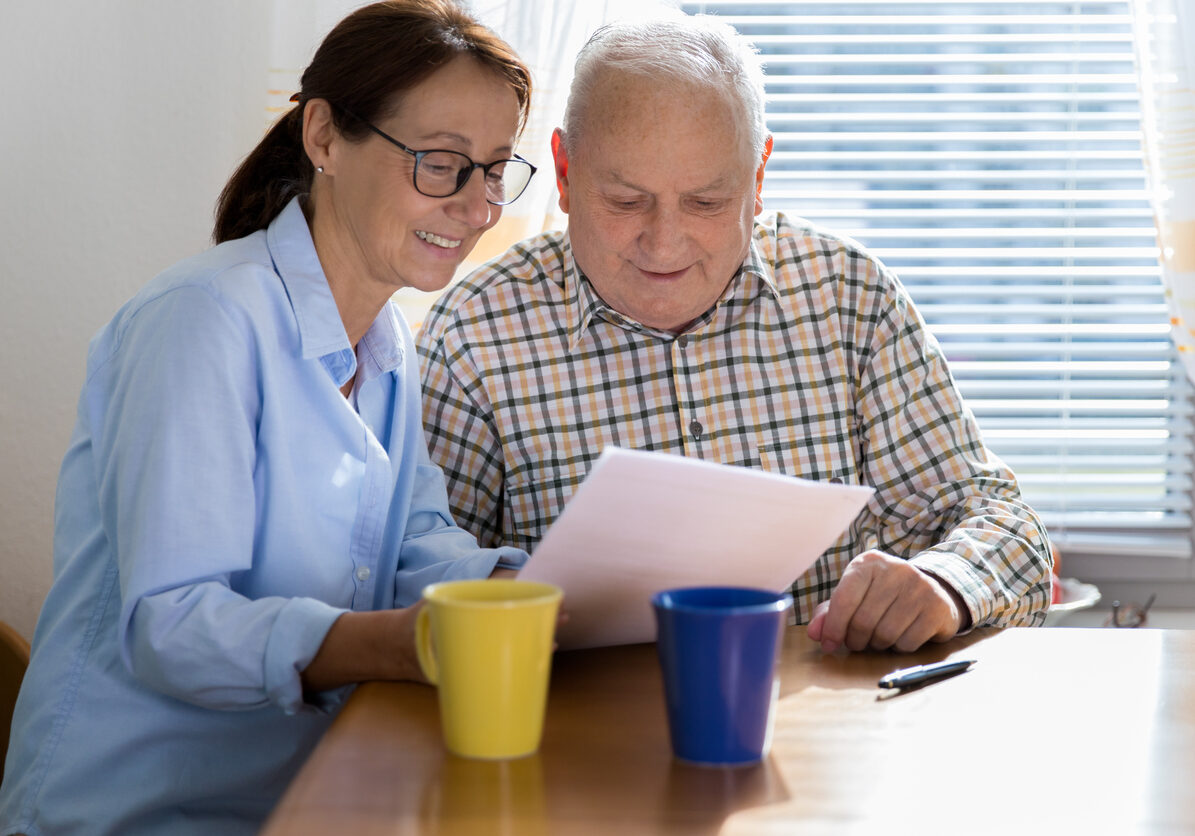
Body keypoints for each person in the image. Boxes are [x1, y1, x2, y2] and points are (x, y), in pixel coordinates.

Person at [0, 2, 537, 834]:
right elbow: (170, 625)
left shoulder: (388, 339)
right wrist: (396, 643)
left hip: (302, 800)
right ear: (323, 137)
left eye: (495, 169)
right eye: (440, 163)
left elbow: (418, 545)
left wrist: (531, 593)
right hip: (138, 811)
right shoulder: (205, 318)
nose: (477, 209)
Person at [416, 14, 1053, 656]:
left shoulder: (848, 299)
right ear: (564, 173)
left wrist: (943, 584)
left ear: (757, 178)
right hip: (568, 730)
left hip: (819, 731)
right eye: (626, 201)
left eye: (706, 203)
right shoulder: (473, 333)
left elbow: (1007, 525)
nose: (663, 244)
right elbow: (411, 585)